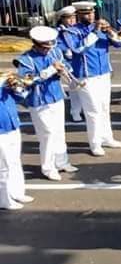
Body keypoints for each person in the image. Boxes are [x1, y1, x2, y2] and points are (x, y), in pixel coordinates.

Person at [15, 26, 78, 181]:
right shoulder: (25, 60)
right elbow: (26, 81)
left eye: (49, 46)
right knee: (47, 135)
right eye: (44, 47)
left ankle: (62, 161)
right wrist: (50, 70)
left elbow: (66, 65)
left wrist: (64, 70)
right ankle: (48, 167)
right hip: (39, 101)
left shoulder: (55, 51)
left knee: (59, 131)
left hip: (56, 96)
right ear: (35, 44)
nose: (47, 50)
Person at [63, 2, 121, 156]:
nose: (90, 16)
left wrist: (110, 30)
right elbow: (78, 49)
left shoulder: (100, 28)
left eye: (91, 13)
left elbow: (119, 43)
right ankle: (95, 143)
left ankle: (107, 137)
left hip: (104, 73)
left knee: (104, 108)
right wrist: (96, 32)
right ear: (78, 15)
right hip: (86, 76)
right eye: (86, 14)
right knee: (93, 110)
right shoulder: (72, 32)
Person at [0, 68, 33, 209]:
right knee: (3, 167)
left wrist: (18, 86)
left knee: (14, 162)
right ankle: (4, 199)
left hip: (13, 126)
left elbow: (22, 97)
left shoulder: (4, 82)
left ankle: (17, 192)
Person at [55, 6, 83, 122]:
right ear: (62, 19)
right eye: (68, 18)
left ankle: (84, 109)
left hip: (81, 61)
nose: (72, 20)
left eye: (73, 17)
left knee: (85, 89)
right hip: (69, 62)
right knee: (74, 89)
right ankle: (75, 111)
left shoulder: (79, 29)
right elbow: (56, 47)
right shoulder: (58, 32)